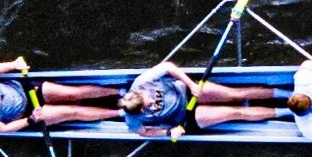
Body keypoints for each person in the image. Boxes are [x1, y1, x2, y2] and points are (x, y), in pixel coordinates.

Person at [116, 60, 284, 138]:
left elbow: (168, 66)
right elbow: (144, 133)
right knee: (236, 111)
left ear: (139, 93)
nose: (151, 103)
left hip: (187, 91)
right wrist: (168, 132)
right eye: (148, 107)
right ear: (140, 111)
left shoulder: (141, 82)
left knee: (237, 94)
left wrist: (190, 84)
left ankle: (284, 94)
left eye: (148, 100)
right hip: (186, 117)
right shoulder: (132, 119)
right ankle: (286, 112)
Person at [0, 57, 119, 132]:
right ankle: (119, 112)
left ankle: (120, 92)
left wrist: (13, 65)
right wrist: (31, 119)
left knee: (74, 93)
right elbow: (4, 128)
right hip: (28, 114)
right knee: (72, 111)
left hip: (26, 90)